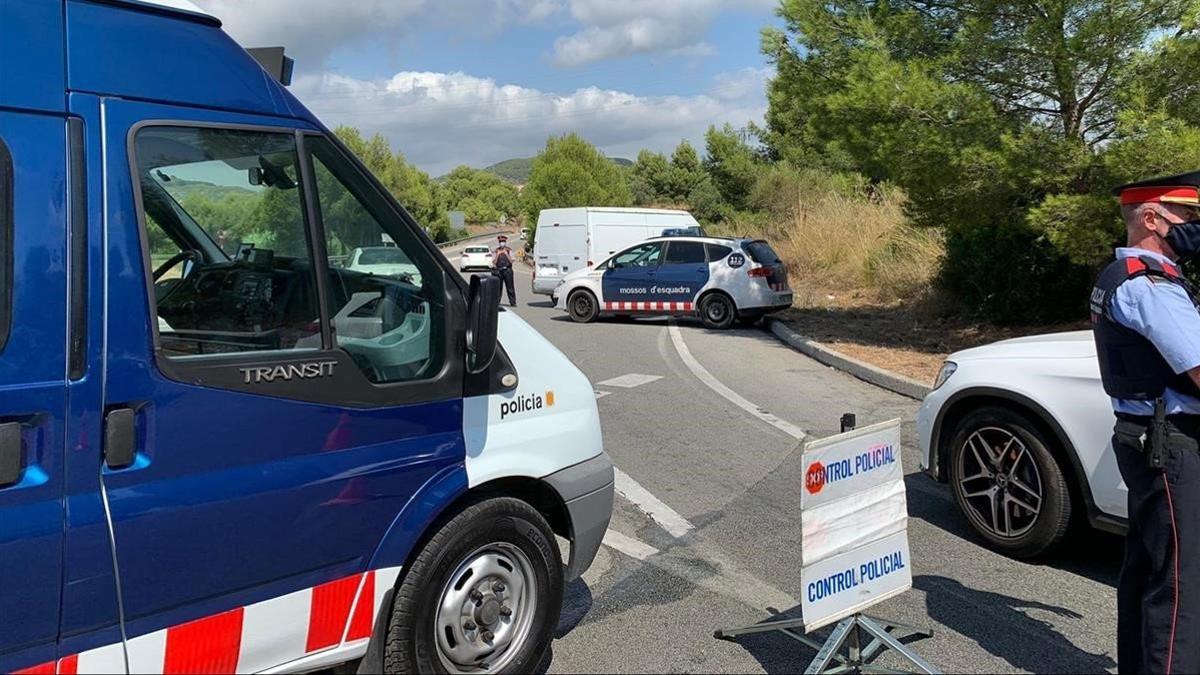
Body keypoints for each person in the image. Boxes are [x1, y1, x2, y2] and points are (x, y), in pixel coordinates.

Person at [1091, 171, 1200, 674]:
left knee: (1149, 570)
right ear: (1152, 218)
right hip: (1172, 444)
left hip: (1146, 438)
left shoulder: (1126, 274)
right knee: (1182, 587)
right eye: (1190, 216)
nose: (1196, 225)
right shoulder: (1152, 286)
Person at [494, 234, 517, 307]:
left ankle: (513, 302)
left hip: (508, 270)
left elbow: (512, 261)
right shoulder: (496, 250)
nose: (502, 243)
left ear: (505, 242)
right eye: (501, 241)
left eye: (503, 241)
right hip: (499, 271)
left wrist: (506, 254)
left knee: (510, 287)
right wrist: (498, 255)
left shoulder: (509, 250)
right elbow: (494, 262)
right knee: (498, 288)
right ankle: (497, 302)